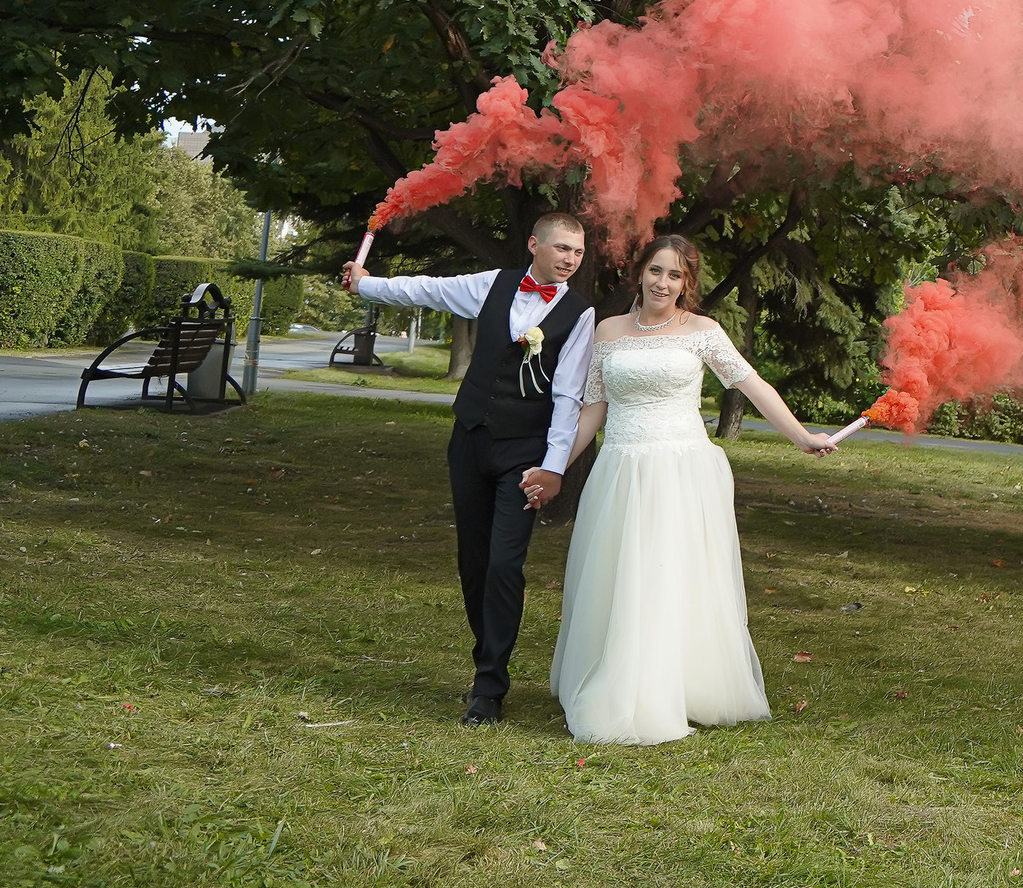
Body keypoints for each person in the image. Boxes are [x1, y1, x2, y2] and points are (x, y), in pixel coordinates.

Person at [549, 234, 836, 745]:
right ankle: (624, 682)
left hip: (681, 470)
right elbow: (593, 409)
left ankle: (679, 687)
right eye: (656, 270)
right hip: (621, 470)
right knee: (623, 575)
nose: (663, 283)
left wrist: (801, 437)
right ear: (640, 272)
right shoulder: (607, 330)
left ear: (688, 283)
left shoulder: (703, 331)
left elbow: (752, 385)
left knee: (671, 576)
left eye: (675, 275)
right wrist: (553, 469)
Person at [342, 214, 596, 726]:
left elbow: (569, 396)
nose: (570, 259)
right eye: (562, 248)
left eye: (577, 252)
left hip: (524, 455)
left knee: (504, 565)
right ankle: (488, 662)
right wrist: (367, 285)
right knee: (474, 563)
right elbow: (428, 290)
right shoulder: (493, 284)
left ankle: (489, 687)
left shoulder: (580, 313)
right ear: (534, 244)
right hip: (470, 440)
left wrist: (553, 468)